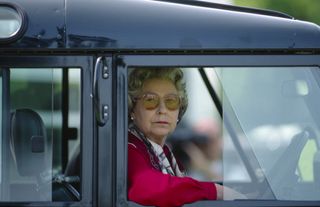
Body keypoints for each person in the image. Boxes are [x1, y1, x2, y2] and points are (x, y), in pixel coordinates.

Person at [127, 68, 244, 207]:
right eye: (150, 100)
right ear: (132, 109)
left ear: (179, 110)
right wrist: (216, 190)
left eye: (171, 101)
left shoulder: (163, 153)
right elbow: (147, 188)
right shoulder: (129, 148)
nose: (162, 110)